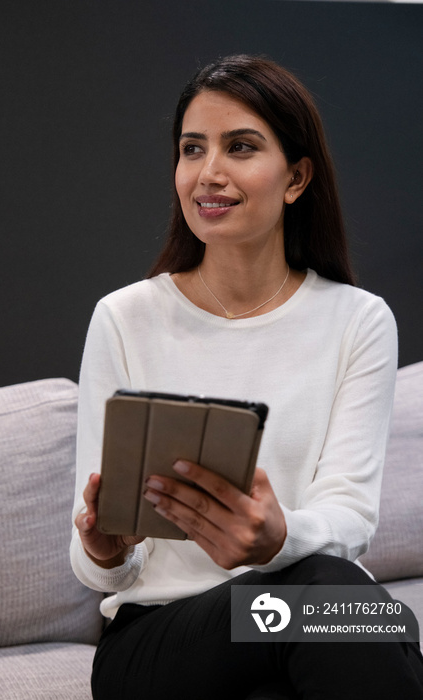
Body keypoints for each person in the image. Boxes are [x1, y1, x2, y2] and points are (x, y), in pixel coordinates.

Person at [70, 55, 423, 699]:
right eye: (191, 149)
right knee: (359, 609)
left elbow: (348, 516)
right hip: (161, 639)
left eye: (240, 147)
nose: (209, 174)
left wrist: (278, 537)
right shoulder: (125, 318)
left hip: (288, 618)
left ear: (296, 177)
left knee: (346, 621)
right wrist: (105, 549)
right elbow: (102, 577)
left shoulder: (358, 321)